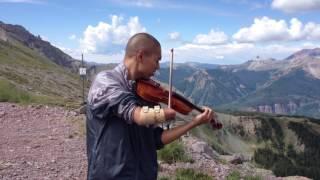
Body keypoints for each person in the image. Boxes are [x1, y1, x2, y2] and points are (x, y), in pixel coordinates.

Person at [86, 32, 216, 180]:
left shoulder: (142, 92)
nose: (158, 66)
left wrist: (194, 122)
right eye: (157, 60)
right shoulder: (106, 82)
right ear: (140, 56)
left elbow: (157, 139)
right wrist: (163, 114)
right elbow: (138, 115)